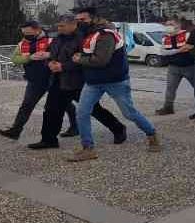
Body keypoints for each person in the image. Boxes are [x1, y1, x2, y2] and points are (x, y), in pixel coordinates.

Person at [69, 7, 161, 162]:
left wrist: (79, 59)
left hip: (115, 80)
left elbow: (101, 60)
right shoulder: (87, 34)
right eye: (77, 20)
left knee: (129, 113)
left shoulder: (105, 34)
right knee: (82, 112)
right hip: (93, 81)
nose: (79, 23)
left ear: (93, 18)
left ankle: (151, 134)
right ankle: (88, 148)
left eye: (82, 20)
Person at [28, 14, 127, 150]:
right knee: (51, 110)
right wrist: (49, 62)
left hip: (77, 82)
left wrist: (63, 66)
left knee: (94, 110)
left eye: (62, 26)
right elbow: (50, 53)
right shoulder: (58, 38)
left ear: (73, 25)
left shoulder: (83, 38)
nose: (59, 28)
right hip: (57, 81)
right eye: (58, 26)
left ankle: (119, 129)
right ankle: (48, 139)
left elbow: (83, 60)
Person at [0, 20, 76, 140]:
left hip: (53, 78)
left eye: (28, 33)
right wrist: (29, 57)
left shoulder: (52, 40)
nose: (26, 36)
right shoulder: (22, 43)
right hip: (35, 80)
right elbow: (14, 59)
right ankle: (15, 130)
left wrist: (48, 55)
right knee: (27, 105)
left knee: (66, 104)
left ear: (38, 30)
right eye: (24, 33)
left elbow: (65, 54)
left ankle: (75, 126)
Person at [156, 18, 195, 115]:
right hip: (173, 67)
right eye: (167, 25)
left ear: (178, 25)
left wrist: (185, 50)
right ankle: (168, 107)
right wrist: (179, 50)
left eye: (170, 24)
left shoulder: (187, 35)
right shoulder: (165, 38)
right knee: (170, 88)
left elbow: (193, 47)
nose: (168, 27)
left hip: (189, 66)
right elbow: (163, 52)